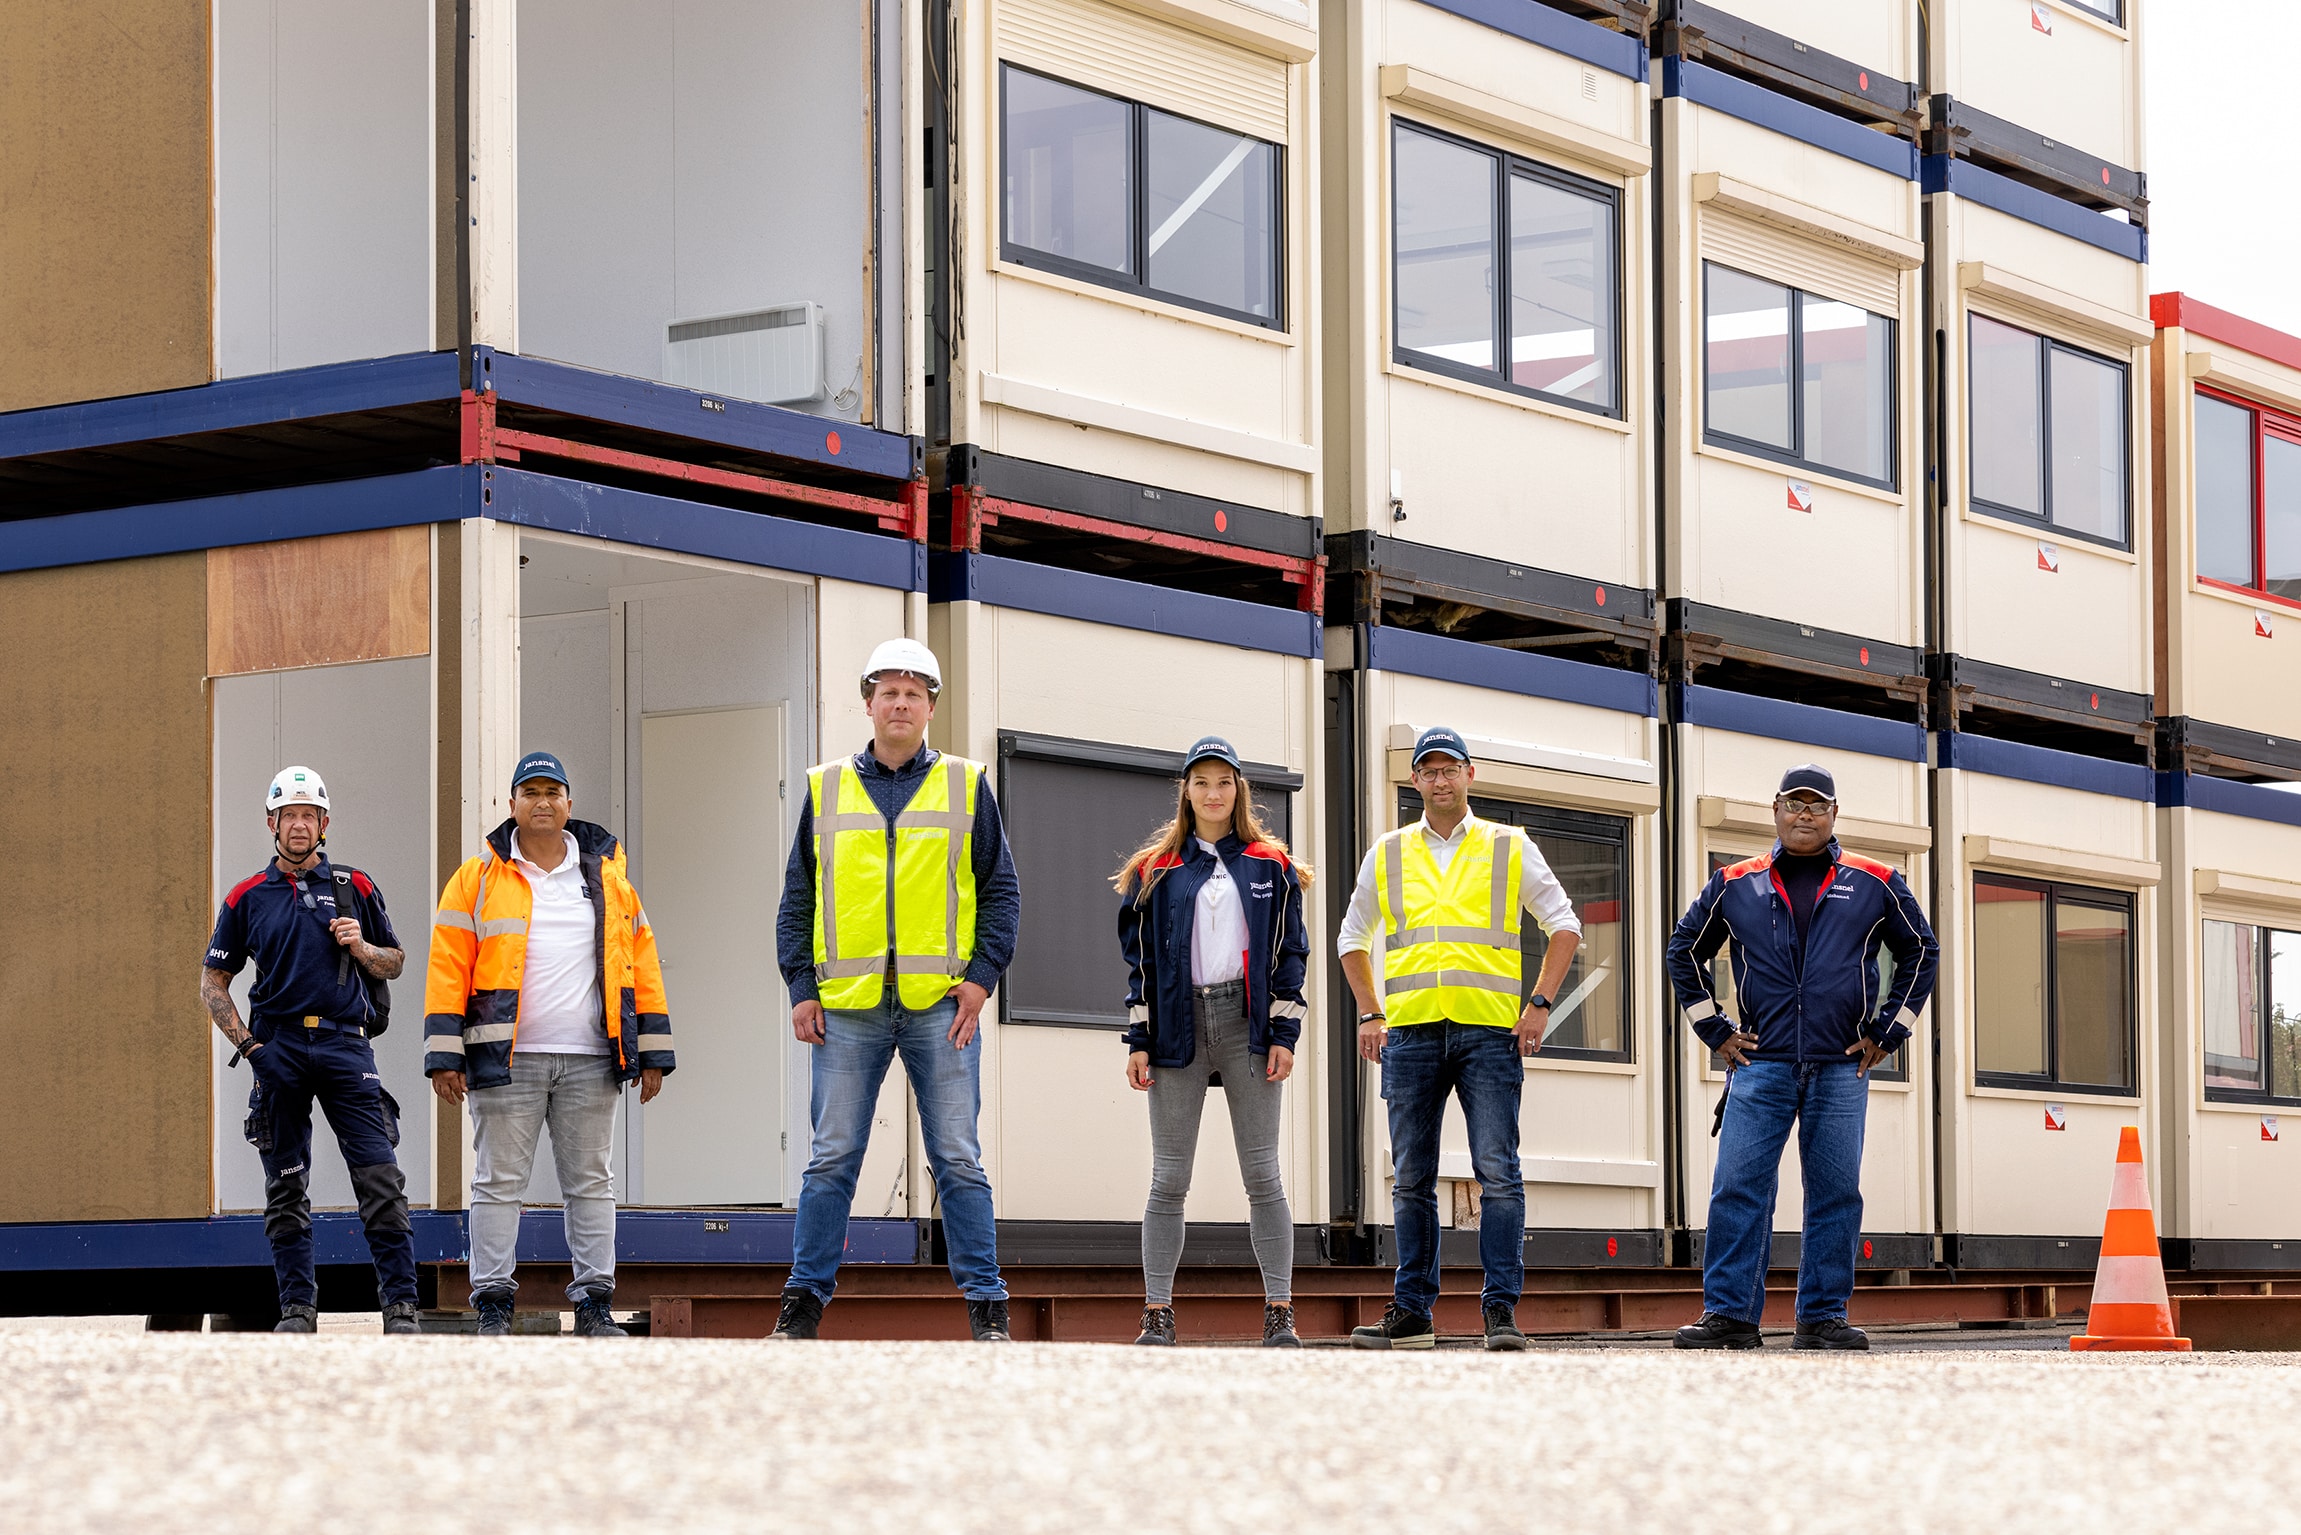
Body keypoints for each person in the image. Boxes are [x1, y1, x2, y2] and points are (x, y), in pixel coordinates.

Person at [771, 638, 1022, 1343]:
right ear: (868, 701)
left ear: (932, 707)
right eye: (889, 690)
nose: (901, 702)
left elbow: (1001, 891)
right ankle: (801, 1307)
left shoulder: (967, 785)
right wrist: (800, 984)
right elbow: (797, 897)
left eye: (914, 691)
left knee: (958, 1157)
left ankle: (987, 1309)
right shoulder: (824, 788)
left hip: (941, 1003)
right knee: (831, 1156)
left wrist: (980, 979)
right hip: (845, 1004)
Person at [1665, 763, 1939, 1351]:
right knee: (1738, 1186)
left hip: (1842, 1066)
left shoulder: (1876, 880)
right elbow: (1682, 950)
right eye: (1795, 803)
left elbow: (1922, 952)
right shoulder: (1735, 881)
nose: (1805, 813)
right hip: (1759, 1065)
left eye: (1817, 805)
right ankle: (1730, 1316)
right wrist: (1714, 1030)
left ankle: (1822, 1316)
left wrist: (1888, 1033)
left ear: (1835, 814)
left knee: (1836, 1192)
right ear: (1776, 810)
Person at [1337, 727, 1583, 1351]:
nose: (1440, 779)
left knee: (1497, 1173)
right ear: (1414, 779)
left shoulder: (1510, 846)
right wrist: (1370, 1013)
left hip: (1488, 1033)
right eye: (1429, 769)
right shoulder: (1388, 852)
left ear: (1471, 775)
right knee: (1411, 1178)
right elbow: (1351, 939)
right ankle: (1412, 1314)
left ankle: (1499, 1314)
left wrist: (1540, 1005)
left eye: (1451, 768)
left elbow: (1565, 926)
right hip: (1412, 1034)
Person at [424, 751, 675, 1338]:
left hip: (592, 1058)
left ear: (569, 804)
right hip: (505, 1059)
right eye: (529, 791)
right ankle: (491, 1306)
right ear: (511, 805)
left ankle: (593, 1306)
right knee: (496, 1183)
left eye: (552, 791)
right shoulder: (477, 878)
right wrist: (444, 1054)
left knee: (591, 1183)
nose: (541, 801)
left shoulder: (609, 880)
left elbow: (640, 962)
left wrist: (654, 1052)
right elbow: (448, 965)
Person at [200, 766, 420, 1334]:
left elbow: (395, 961)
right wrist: (251, 1047)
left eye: (309, 815)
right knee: (286, 1180)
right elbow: (212, 982)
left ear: (324, 824)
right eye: (288, 814)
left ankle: (400, 1308)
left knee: (379, 1177)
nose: (299, 825)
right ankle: (297, 1310)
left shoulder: (357, 886)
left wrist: (362, 945)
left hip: (346, 1045)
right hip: (279, 1047)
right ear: (271, 822)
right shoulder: (247, 896)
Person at [1116, 736, 1314, 1348]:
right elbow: (1140, 962)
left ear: (1239, 790)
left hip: (1246, 1026)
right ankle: (1157, 1313)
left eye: (1223, 782)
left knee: (1263, 1175)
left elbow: (1291, 956)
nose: (1212, 793)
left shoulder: (1270, 864)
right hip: (1176, 1025)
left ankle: (1280, 1312)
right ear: (1186, 791)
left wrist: (1284, 1033)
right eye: (1201, 782)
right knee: (1168, 1179)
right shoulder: (1156, 870)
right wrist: (1138, 1038)